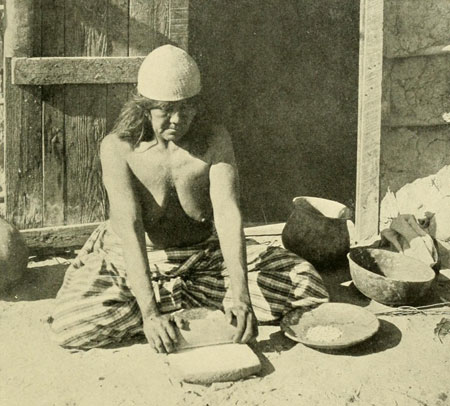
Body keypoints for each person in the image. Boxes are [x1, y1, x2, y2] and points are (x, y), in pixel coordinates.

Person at [49, 45, 329, 353]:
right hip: (136, 257)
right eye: (166, 110)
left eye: (187, 108)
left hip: (203, 258)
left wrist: (241, 297)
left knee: (306, 283)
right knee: (70, 325)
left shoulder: (214, 141)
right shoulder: (118, 148)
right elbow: (129, 230)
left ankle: (179, 307)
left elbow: (227, 213)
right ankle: (169, 312)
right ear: (144, 107)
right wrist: (150, 313)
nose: (178, 119)